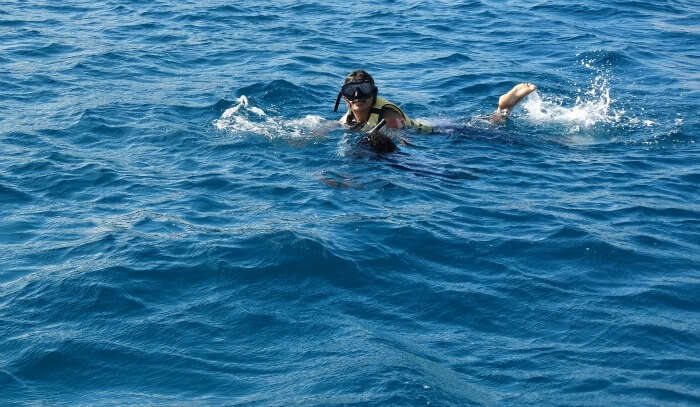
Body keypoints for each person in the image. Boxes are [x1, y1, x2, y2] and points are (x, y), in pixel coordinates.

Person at [334, 70, 536, 151]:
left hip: (437, 131)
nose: (358, 96)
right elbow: (336, 124)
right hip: (424, 121)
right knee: (482, 122)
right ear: (345, 97)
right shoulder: (349, 115)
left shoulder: (388, 116)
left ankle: (503, 108)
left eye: (364, 91)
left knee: (492, 131)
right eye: (352, 92)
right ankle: (502, 109)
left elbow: (402, 138)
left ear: (374, 94)